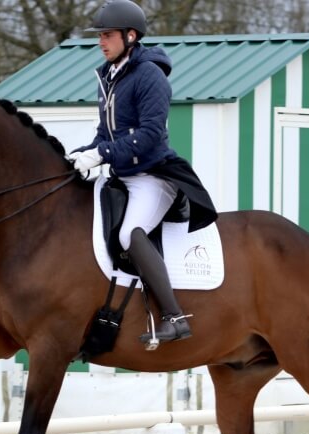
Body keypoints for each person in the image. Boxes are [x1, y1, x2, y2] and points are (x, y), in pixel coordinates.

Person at [70, 0, 217, 345]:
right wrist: (79, 155)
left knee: (130, 234)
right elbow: (106, 134)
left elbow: (149, 133)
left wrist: (101, 154)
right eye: (99, 36)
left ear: (130, 36)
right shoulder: (108, 76)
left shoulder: (149, 75)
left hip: (154, 176)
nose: (101, 42)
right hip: (122, 176)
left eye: (107, 35)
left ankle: (174, 317)